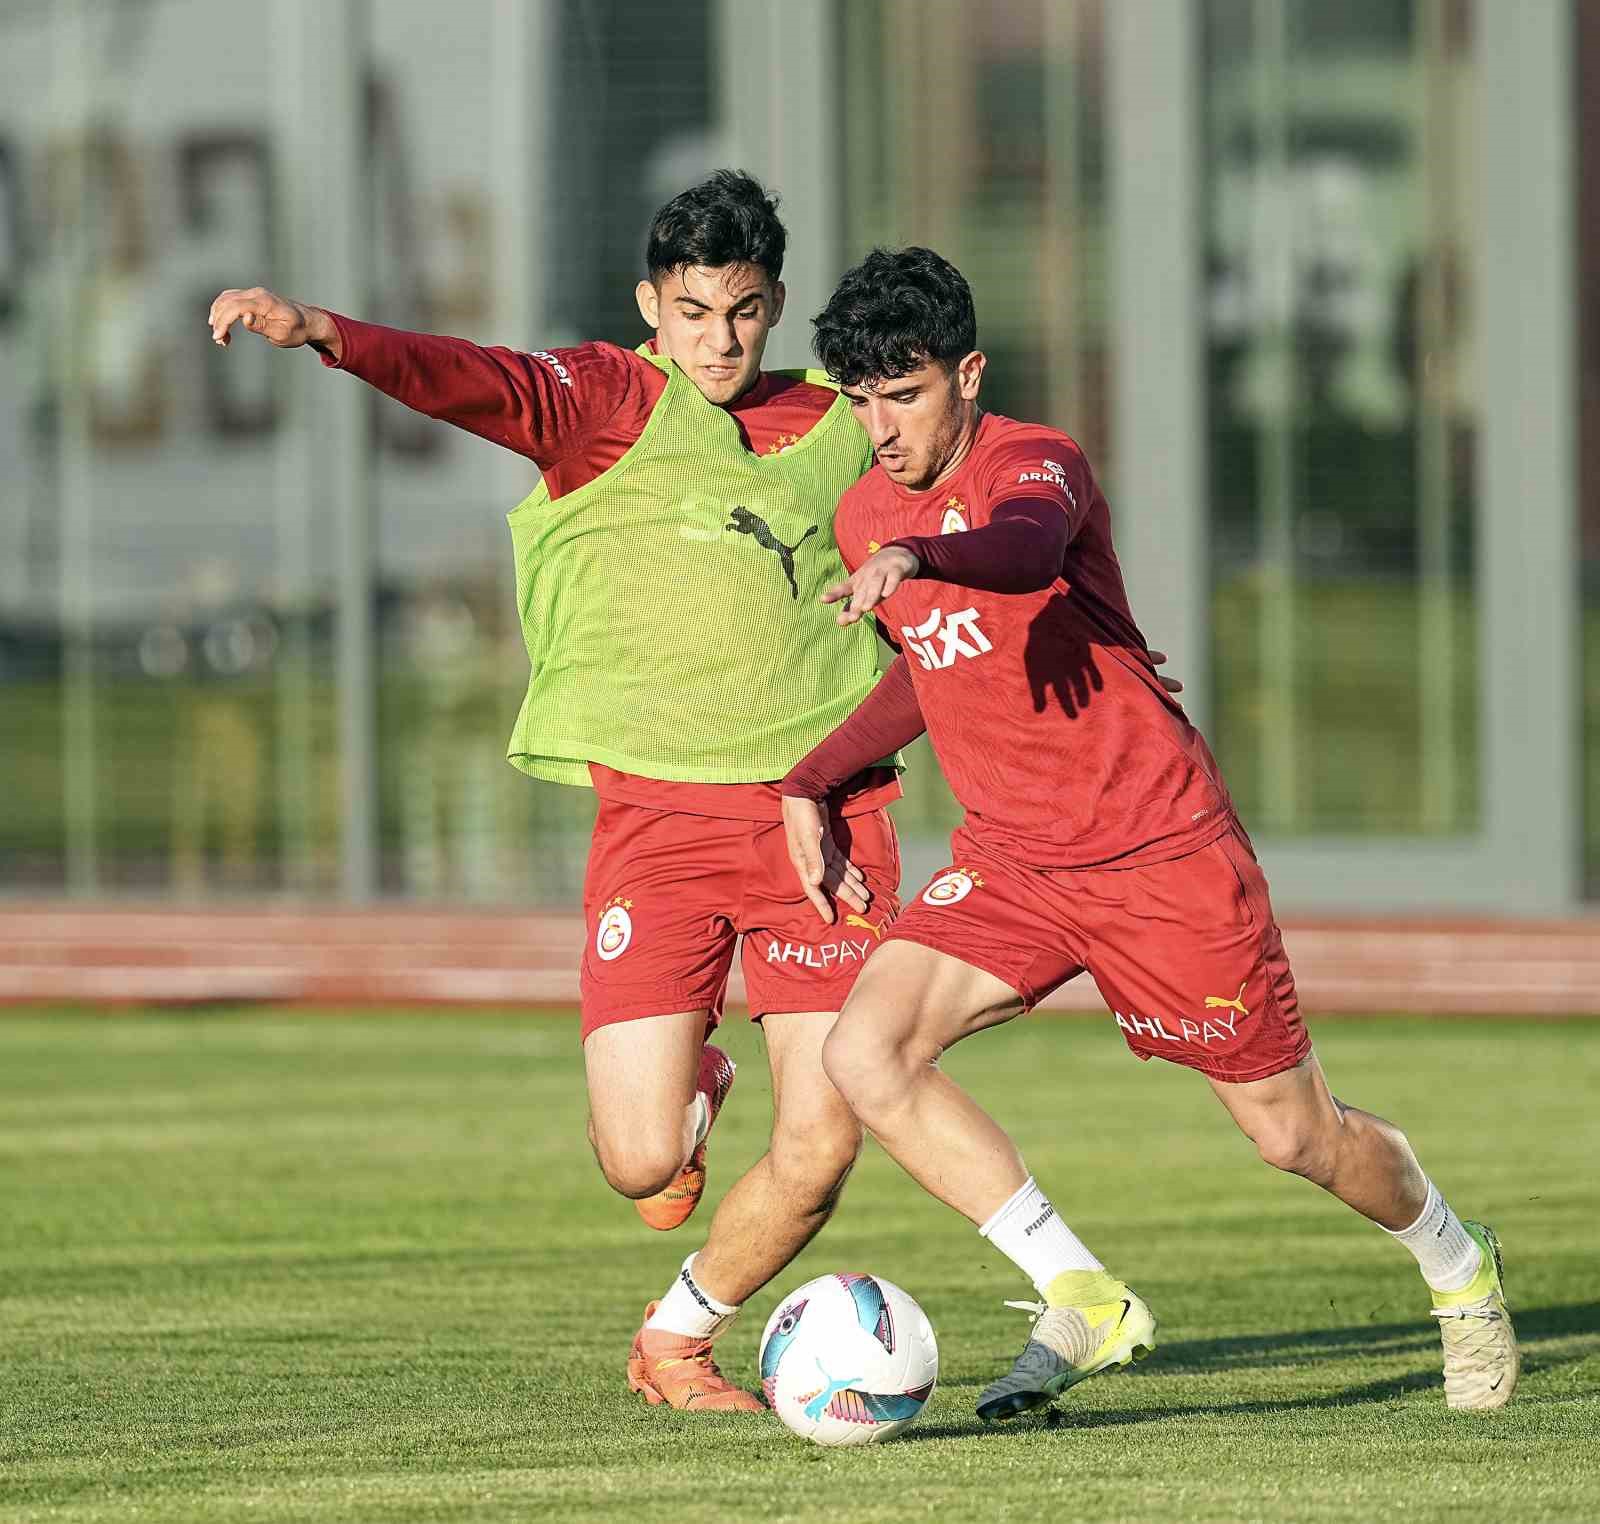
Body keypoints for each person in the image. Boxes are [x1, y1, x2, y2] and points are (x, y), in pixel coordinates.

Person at [779, 246, 1519, 1420]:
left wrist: (916, 554)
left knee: (1293, 1137)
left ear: (967, 375)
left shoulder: (1037, 465)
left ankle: (1454, 1262)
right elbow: (934, 669)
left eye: (904, 392)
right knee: (866, 1053)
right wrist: (808, 779)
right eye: (860, 396)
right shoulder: (867, 507)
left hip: (1159, 854)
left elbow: (1017, 554)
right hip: (1015, 862)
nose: (879, 424)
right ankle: (1082, 1291)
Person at [208, 172, 902, 1413]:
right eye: (692, 312)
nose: (720, 341)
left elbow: (986, 500)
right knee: (641, 1162)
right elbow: (467, 376)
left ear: (777, 306)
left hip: (821, 829)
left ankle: (676, 1342)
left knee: (827, 1138)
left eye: (743, 312)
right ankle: (694, 1086)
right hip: (655, 828)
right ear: (651, 304)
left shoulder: (847, 422)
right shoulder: (604, 400)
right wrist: (325, 333)